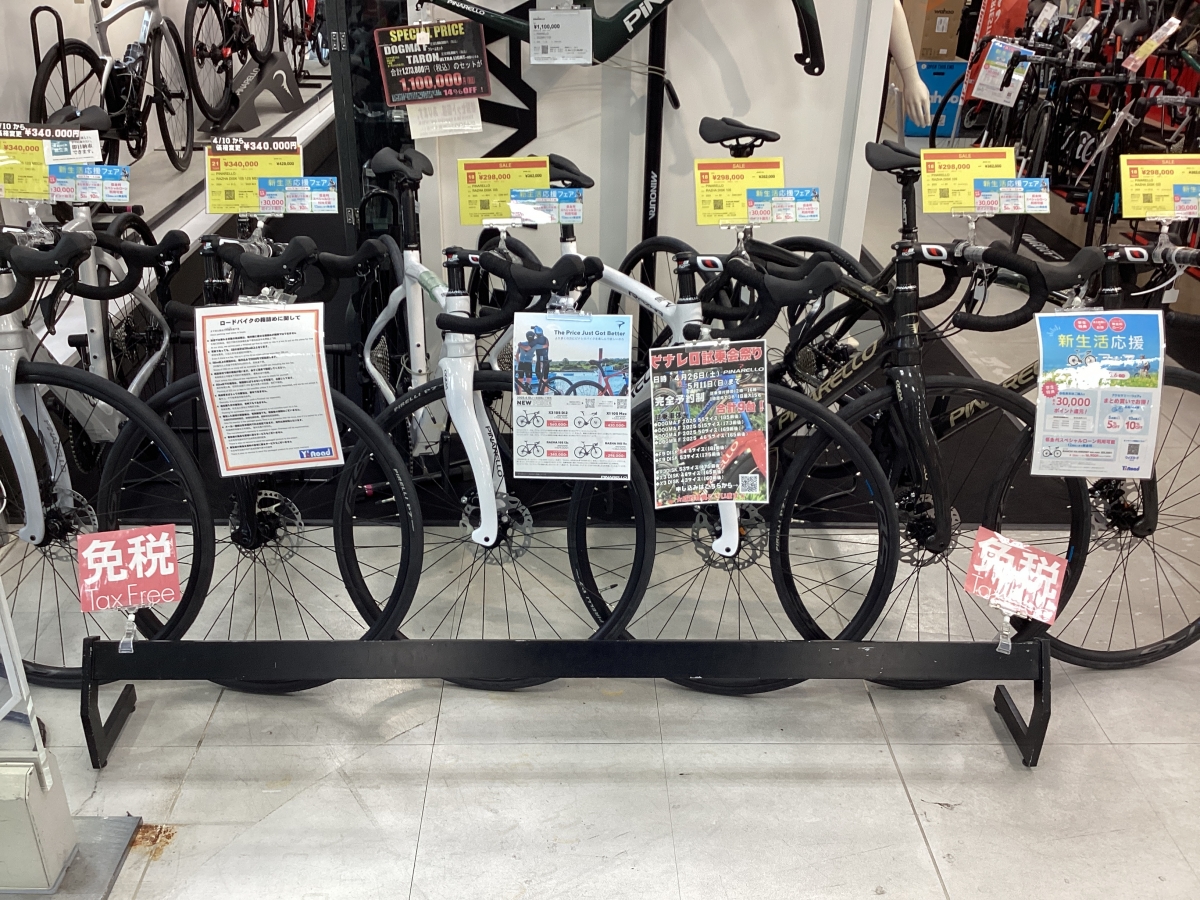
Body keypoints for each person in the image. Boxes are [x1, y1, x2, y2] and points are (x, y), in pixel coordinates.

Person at [529, 325, 551, 394]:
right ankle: (546, 392)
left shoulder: (537, 340)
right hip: (545, 360)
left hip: (541, 360)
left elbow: (529, 346)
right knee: (545, 377)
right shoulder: (545, 338)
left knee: (539, 374)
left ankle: (543, 390)